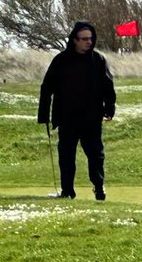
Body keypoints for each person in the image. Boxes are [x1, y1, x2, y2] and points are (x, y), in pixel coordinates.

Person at [37, 21, 116, 200]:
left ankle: (99, 187)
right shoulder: (61, 60)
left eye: (91, 39)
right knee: (66, 156)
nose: (89, 42)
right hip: (67, 117)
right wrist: (44, 115)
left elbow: (108, 87)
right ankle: (67, 191)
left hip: (91, 118)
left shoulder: (98, 60)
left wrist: (109, 108)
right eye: (84, 39)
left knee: (96, 156)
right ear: (74, 40)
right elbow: (47, 88)